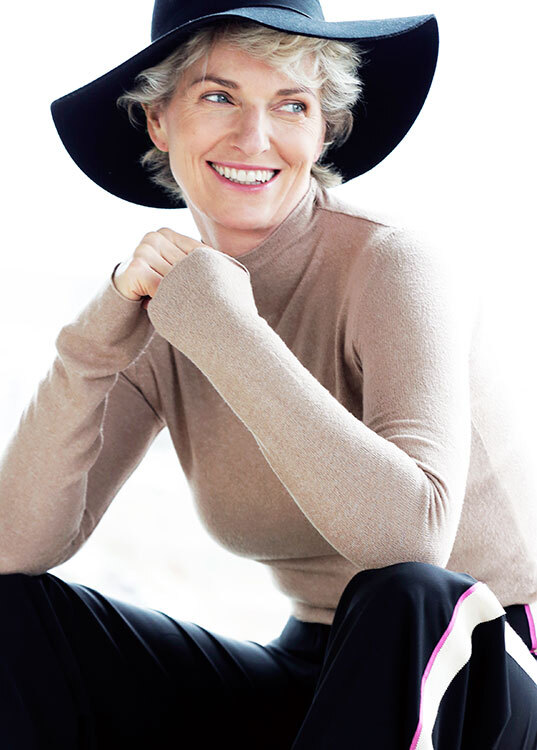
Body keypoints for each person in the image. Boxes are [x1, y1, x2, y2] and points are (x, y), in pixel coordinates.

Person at [0, 0, 536, 747]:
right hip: (317, 668)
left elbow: (410, 543)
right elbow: (15, 546)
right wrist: (96, 338)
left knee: (408, 594)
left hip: (480, 663)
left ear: (324, 129)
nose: (255, 138)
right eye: (218, 97)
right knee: (13, 616)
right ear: (158, 119)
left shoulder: (392, 265)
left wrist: (229, 330)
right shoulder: (168, 304)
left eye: (291, 104)